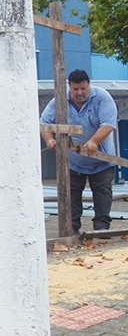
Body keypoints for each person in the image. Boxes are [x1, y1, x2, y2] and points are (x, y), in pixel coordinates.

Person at [40, 69, 118, 234]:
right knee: (72, 195)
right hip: (74, 162)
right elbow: (45, 122)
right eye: (76, 89)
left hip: (101, 160)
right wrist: (49, 139)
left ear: (89, 85)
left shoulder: (102, 98)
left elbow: (108, 124)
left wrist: (94, 141)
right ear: (70, 87)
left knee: (102, 193)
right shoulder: (59, 101)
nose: (80, 93)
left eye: (83, 88)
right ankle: (72, 229)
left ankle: (101, 229)